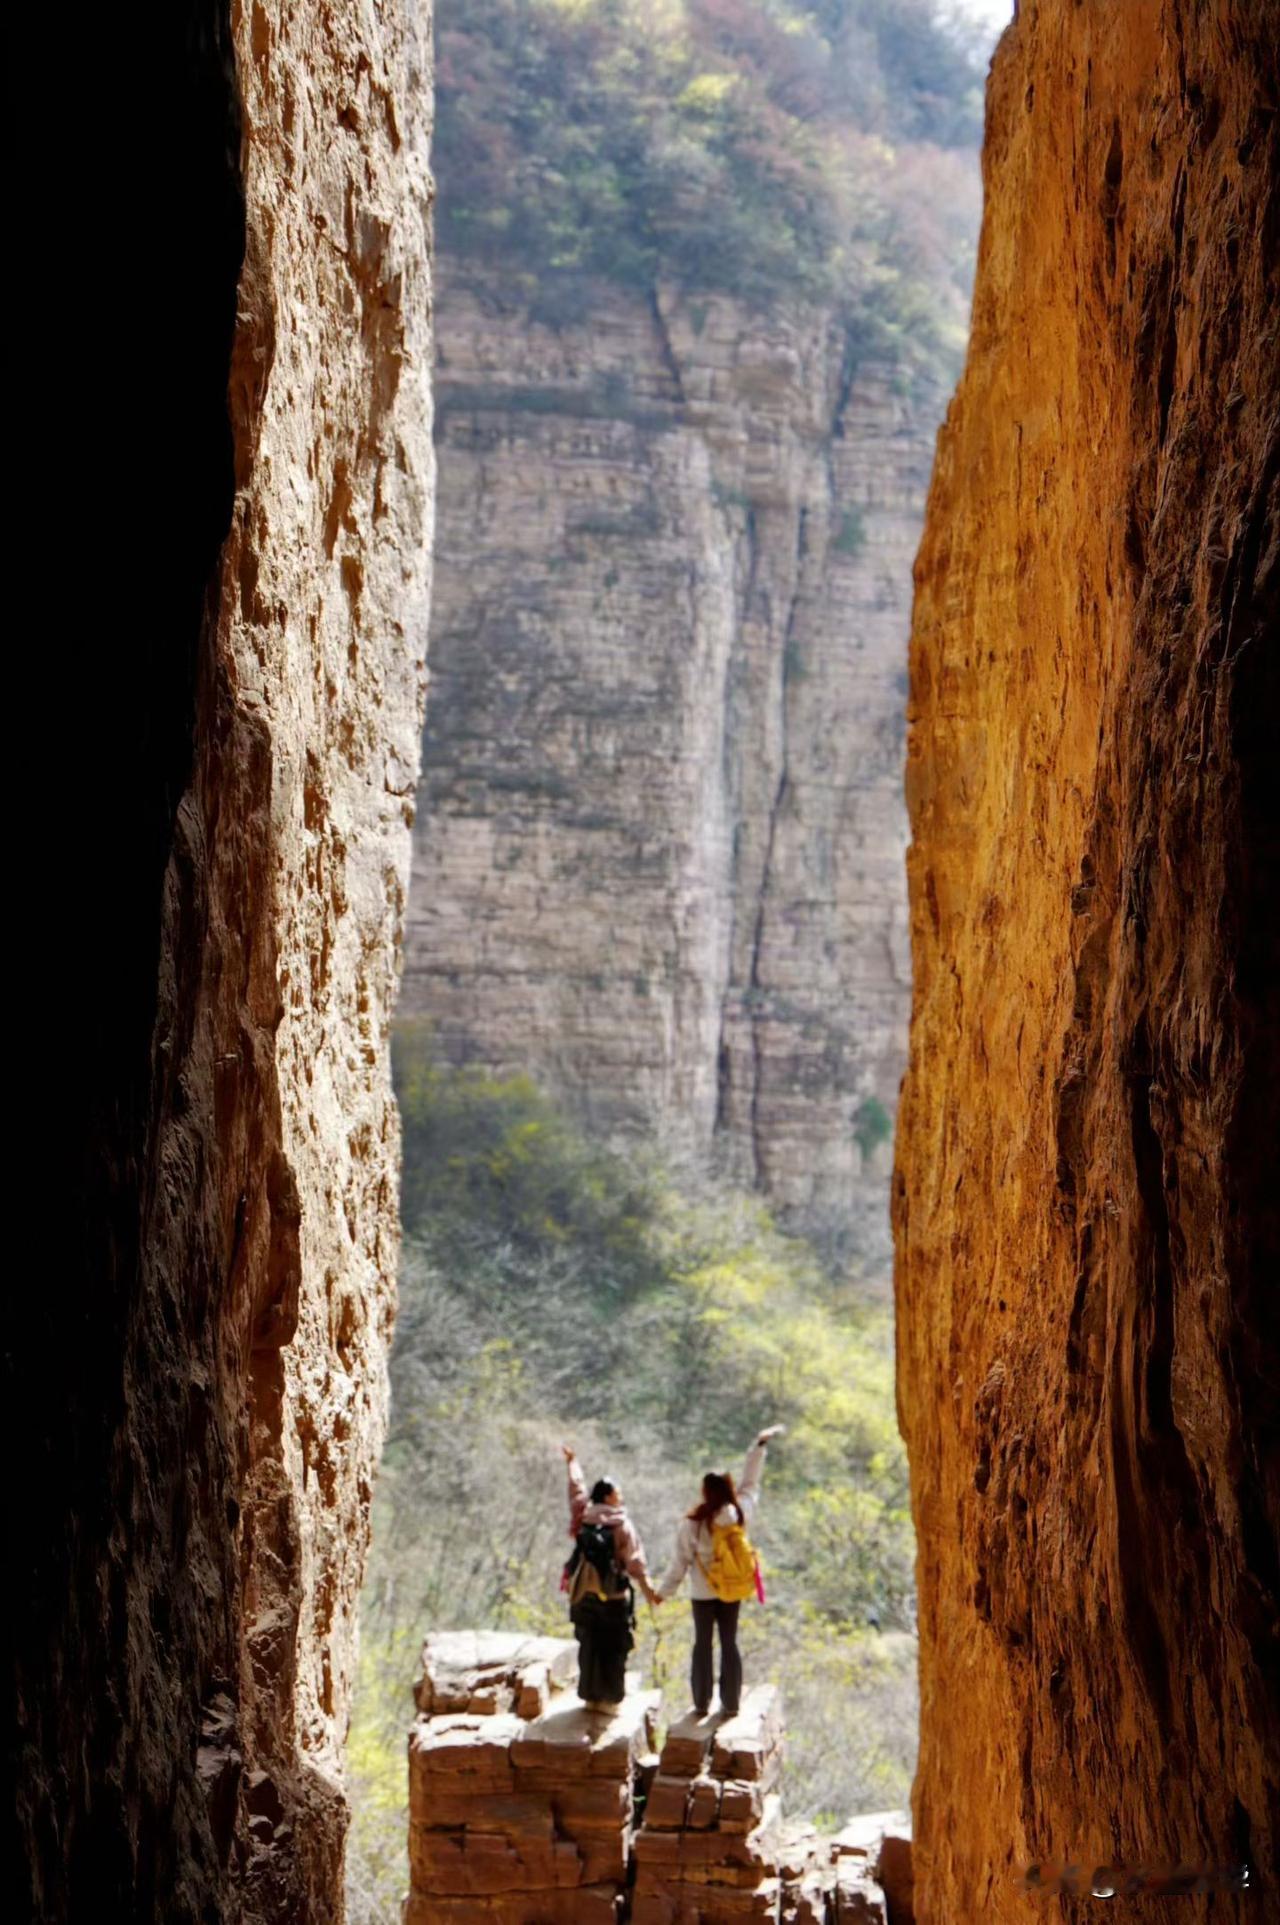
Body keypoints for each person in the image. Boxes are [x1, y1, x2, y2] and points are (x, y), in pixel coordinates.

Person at [655, 1426, 784, 1717]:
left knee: (702, 1643)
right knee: (729, 1642)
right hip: (732, 1591)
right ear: (728, 1488)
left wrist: (663, 1593)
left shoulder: (694, 1523)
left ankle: (701, 1702)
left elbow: (680, 1563)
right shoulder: (739, 1513)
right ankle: (731, 1703)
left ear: (704, 1491)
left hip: (702, 1593)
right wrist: (759, 1445)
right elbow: (751, 1484)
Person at [561, 1443, 660, 1710]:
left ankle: (589, 1698)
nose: (621, 1496)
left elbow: (576, 1489)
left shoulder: (584, 1516)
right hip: (614, 1597)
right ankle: (611, 1700)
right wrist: (651, 1593)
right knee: (614, 1648)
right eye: (618, 1493)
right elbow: (635, 1563)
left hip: (583, 1595)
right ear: (609, 1497)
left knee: (589, 1645)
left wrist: (572, 1462)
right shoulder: (621, 1525)